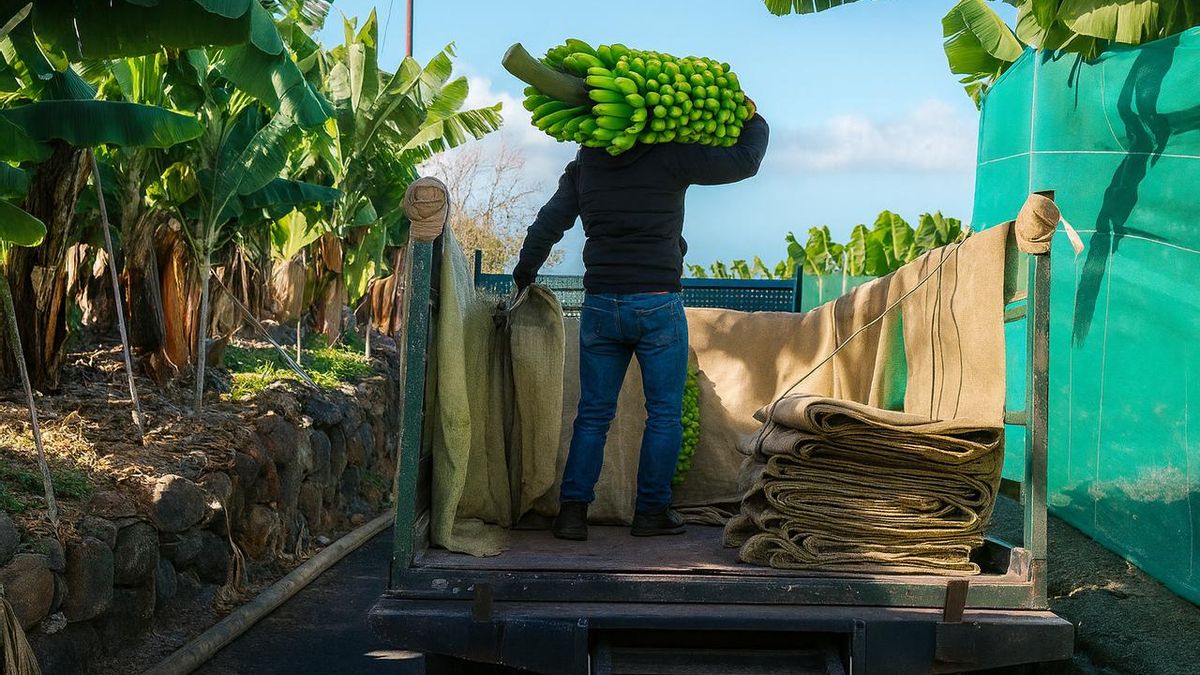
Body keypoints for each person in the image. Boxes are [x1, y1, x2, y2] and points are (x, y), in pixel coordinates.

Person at [513, 105, 770, 541]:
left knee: (592, 416)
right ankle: (651, 512)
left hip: (600, 305)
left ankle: (572, 514)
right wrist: (754, 120)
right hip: (656, 303)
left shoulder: (587, 164)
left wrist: (524, 273)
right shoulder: (672, 154)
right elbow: (744, 161)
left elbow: (549, 223)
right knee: (665, 415)